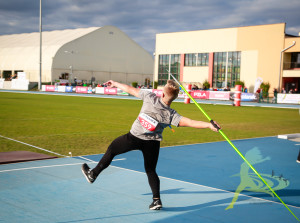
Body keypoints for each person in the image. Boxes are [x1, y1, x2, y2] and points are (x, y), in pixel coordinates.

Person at [81, 79, 221, 210]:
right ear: (174, 98)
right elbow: (191, 122)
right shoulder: (171, 115)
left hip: (134, 137)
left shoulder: (150, 97)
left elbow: (130, 89)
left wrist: (115, 83)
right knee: (150, 170)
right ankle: (156, 200)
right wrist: (209, 125)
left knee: (112, 150)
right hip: (152, 144)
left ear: (162, 93)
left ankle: (93, 174)